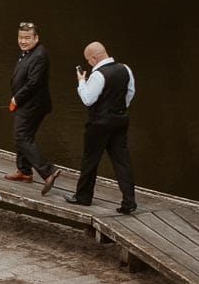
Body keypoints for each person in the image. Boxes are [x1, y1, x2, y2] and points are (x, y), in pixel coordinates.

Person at [64, 40, 137, 214]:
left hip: (99, 124)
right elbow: (130, 92)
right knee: (122, 161)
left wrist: (81, 81)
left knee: (90, 160)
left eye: (88, 60)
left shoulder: (98, 75)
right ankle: (129, 201)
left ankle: (83, 197)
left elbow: (88, 99)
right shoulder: (125, 69)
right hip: (120, 120)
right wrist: (119, 109)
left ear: (94, 58)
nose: (89, 64)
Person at [8, 21, 57, 189]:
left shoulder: (39, 56)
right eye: (21, 37)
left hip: (33, 105)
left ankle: (48, 172)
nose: (23, 41)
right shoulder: (28, 52)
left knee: (23, 137)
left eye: (27, 38)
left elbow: (33, 83)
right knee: (21, 136)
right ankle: (25, 171)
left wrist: (16, 99)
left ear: (36, 38)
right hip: (27, 103)